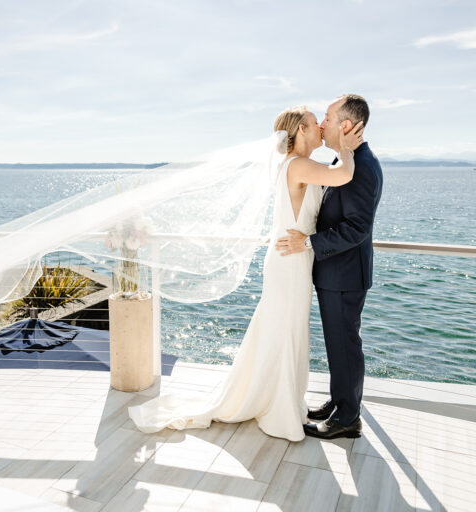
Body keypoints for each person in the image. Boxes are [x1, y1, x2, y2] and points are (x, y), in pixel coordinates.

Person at [128, 105, 364, 441]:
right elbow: (343, 175)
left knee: (284, 330)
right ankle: (277, 406)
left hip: (292, 257)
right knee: (285, 332)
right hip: (290, 261)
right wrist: (346, 148)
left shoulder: (296, 165)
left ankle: (278, 398)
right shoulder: (298, 165)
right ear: (299, 131)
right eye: (314, 124)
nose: (320, 129)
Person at [276, 94, 383, 439]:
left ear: (346, 126)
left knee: (345, 344)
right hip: (332, 272)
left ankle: (348, 418)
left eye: (328, 117)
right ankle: (340, 402)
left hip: (345, 273)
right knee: (337, 344)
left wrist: (308, 243)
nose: (322, 123)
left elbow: (356, 228)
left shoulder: (362, 166)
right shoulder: (343, 161)